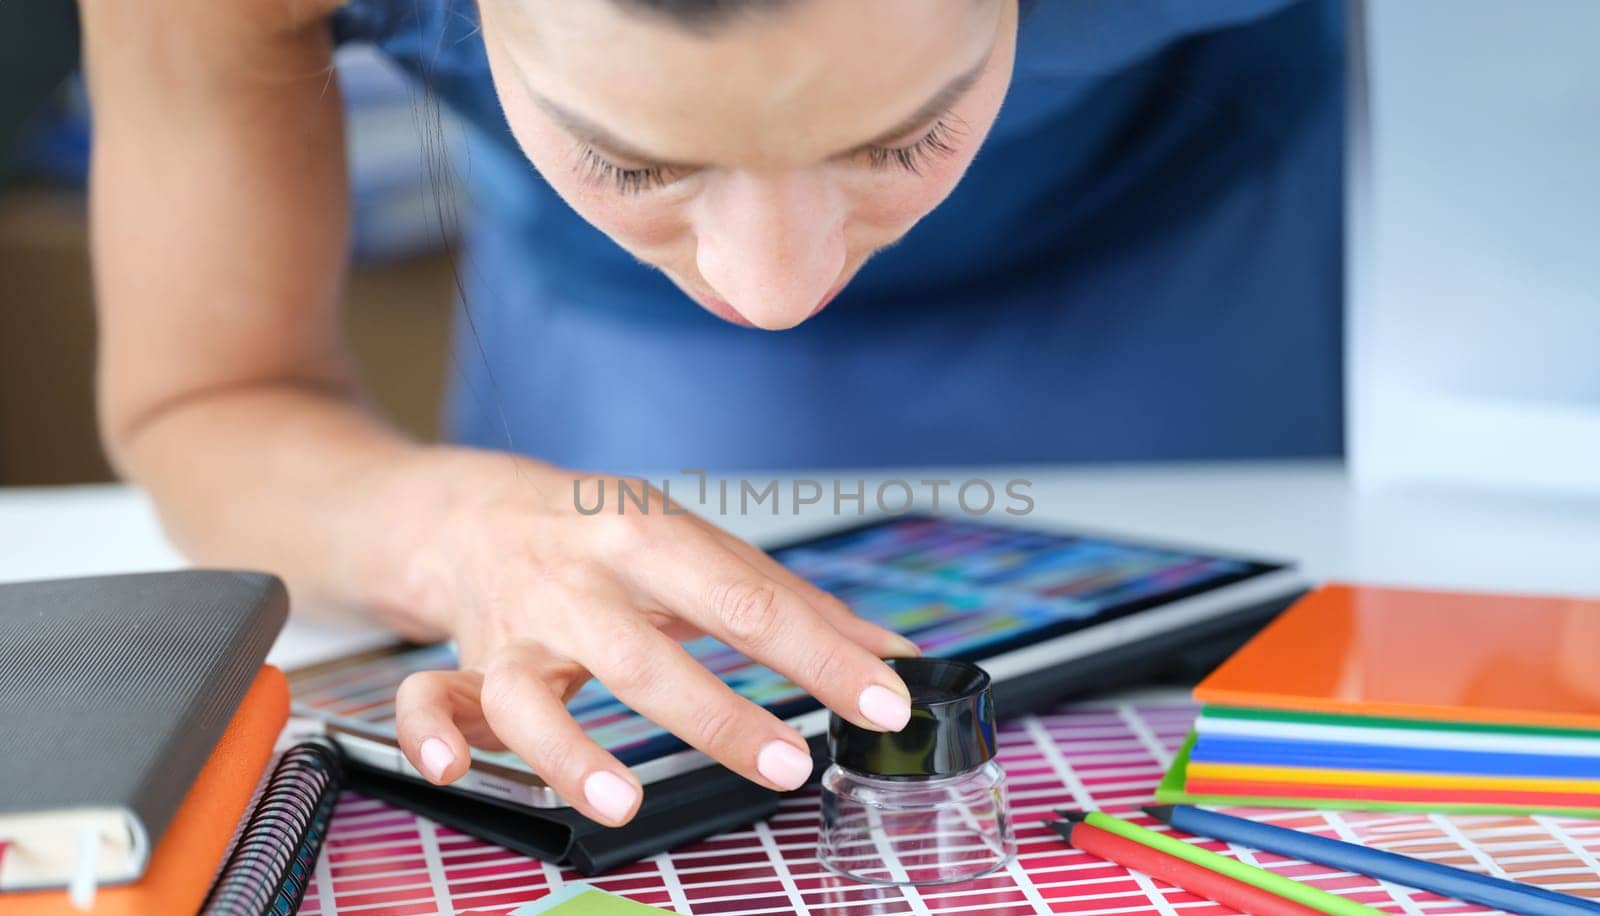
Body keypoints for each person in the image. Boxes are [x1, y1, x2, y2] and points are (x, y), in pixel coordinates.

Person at [79, 0, 1344, 827]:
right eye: (631, 162)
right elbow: (210, 392)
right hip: (617, 327)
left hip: (1182, 221)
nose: (776, 291)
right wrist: (448, 531)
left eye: (907, 135)